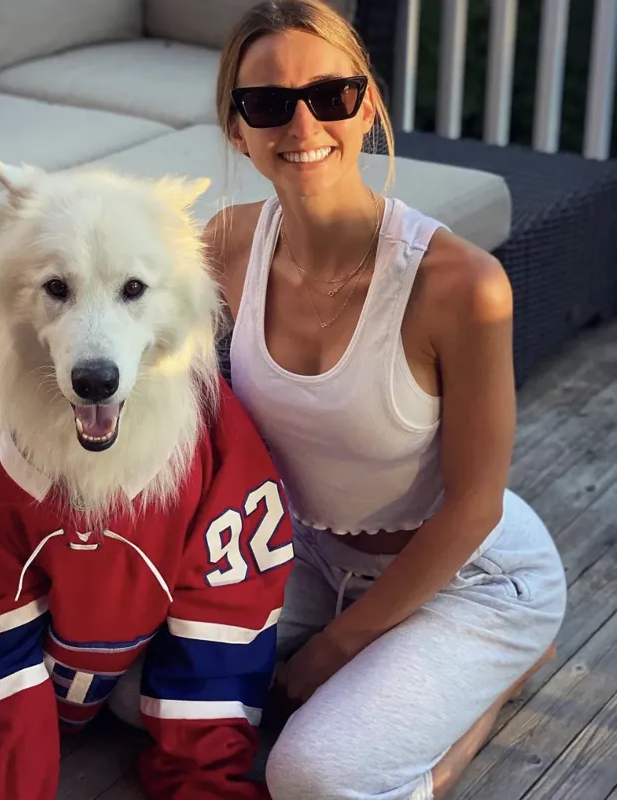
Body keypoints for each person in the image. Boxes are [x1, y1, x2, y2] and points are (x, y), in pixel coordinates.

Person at [199, 1, 567, 798]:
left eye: (329, 94)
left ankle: (476, 708)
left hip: (468, 573)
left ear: (366, 104)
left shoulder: (459, 284)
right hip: (310, 555)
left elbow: (474, 508)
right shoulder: (227, 247)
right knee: (145, 693)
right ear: (238, 131)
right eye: (267, 104)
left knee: (309, 775)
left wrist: (329, 654)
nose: (302, 125)